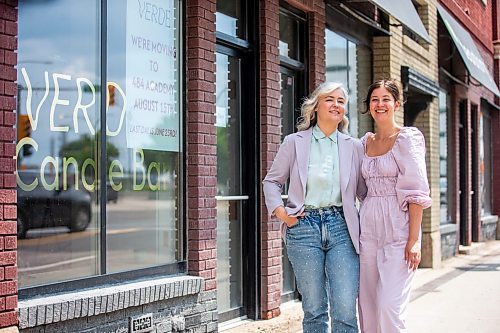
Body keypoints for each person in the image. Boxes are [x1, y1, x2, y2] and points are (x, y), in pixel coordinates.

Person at [263, 82, 366, 333]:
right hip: (303, 228)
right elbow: (271, 182)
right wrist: (283, 215)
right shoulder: (294, 142)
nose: (336, 105)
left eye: (341, 101)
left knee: (344, 309)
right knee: (314, 310)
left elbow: (365, 192)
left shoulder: (353, 146)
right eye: (329, 99)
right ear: (316, 106)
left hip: (342, 228)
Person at [358, 78, 432, 333]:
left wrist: (414, 240)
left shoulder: (407, 139)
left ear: (396, 104)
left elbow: (416, 192)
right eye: (374, 99)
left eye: (385, 99)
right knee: (367, 306)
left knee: (390, 306)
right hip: (367, 230)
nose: (380, 104)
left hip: (398, 230)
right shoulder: (363, 143)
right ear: (368, 106)